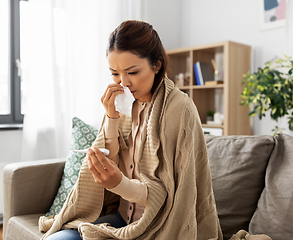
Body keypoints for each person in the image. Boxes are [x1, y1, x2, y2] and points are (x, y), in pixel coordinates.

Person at [39, 20, 223, 240]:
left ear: (156, 65)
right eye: (114, 74)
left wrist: (119, 184)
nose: (123, 83)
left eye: (132, 72)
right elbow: (112, 157)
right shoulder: (123, 102)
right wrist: (111, 117)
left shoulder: (178, 108)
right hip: (119, 219)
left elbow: (169, 194)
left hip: (157, 226)